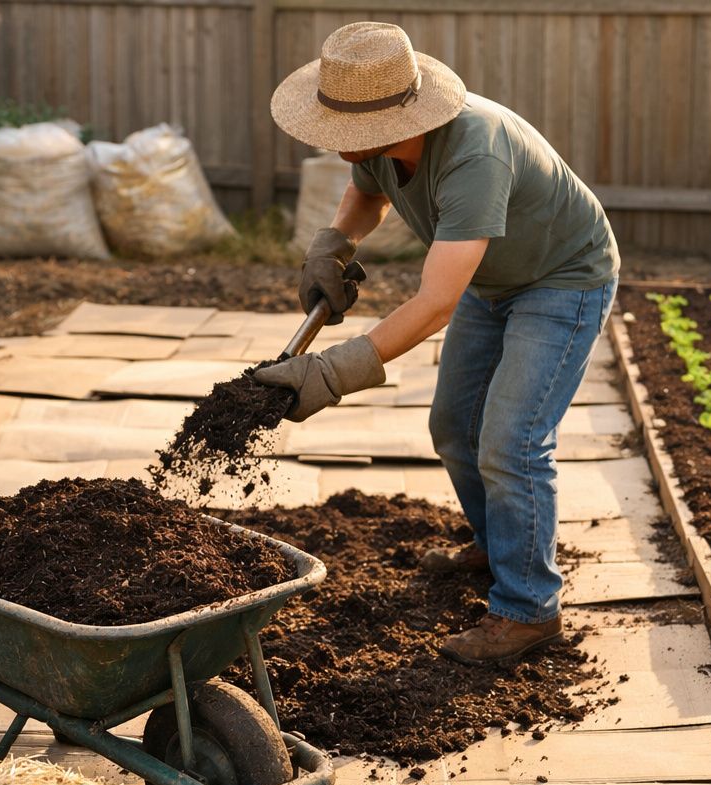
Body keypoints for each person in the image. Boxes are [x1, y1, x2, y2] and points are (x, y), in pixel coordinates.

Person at [253, 21, 620, 667]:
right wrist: (333, 244)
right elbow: (365, 199)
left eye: (355, 137)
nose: (346, 147)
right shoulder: (375, 136)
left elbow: (435, 302)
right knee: (453, 426)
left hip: (561, 280)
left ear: (404, 117)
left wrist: (333, 373)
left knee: (513, 441)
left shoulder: (474, 153)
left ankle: (529, 608)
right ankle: (496, 542)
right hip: (492, 279)